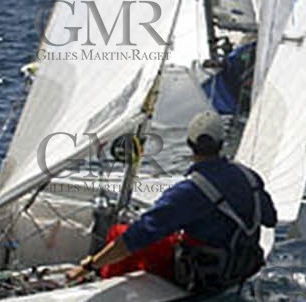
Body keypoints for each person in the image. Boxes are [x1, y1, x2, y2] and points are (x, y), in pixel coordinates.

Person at [68, 111, 275, 292]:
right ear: (221, 144)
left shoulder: (189, 192)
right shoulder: (249, 177)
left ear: (190, 145)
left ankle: (100, 284)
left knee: (120, 233)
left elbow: (137, 235)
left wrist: (90, 265)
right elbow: (270, 219)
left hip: (201, 277)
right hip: (238, 269)